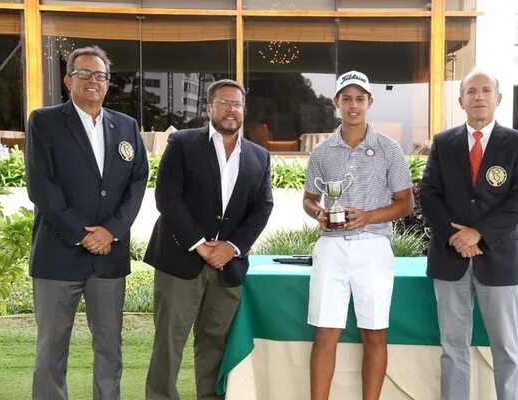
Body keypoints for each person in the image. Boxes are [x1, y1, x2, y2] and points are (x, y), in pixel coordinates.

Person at [25, 46, 148, 400]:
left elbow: (138, 180)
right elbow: (42, 188)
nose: (93, 81)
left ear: (108, 84)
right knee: (51, 350)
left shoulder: (126, 126)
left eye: (100, 75)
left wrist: (111, 230)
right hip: (57, 256)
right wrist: (83, 235)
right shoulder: (44, 122)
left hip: (108, 257)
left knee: (110, 348)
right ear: (68, 80)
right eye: (84, 74)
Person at [144, 79, 273, 400]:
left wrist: (231, 247)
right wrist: (200, 245)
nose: (231, 110)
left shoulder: (259, 157)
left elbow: (262, 207)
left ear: (244, 110)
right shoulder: (183, 143)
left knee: (216, 345)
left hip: (226, 267)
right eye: (224, 103)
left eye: (237, 104)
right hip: (180, 260)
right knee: (169, 343)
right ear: (209, 108)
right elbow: (168, 198)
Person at [419, 69, 518, 400]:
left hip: (498, 258)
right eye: (472, 91)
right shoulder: (443, 142)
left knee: (507, 348)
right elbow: (428, 194)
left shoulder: (517, 143)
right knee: (453, 348)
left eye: (486, 90)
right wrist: (458, 237)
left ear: (498, 99)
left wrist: (478, 234)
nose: (479, 96)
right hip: (449, 257)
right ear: (461, 100)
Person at [302, 70, 414, 400]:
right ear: (336, 102)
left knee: (374, 333)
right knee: (325, 333)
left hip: (374, 247)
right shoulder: (321, 152)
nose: (353, 105)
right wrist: (318, 213)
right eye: (347, 98)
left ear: (370, 102)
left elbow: (405, 203)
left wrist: (367, 217)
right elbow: (309, 199)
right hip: (331, 247)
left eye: (360, 99)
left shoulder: (389, 149)